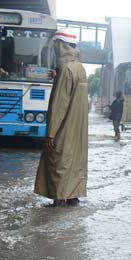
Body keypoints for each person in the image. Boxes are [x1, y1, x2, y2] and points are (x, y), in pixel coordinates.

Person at [34, 31, 88, 207]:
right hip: (78, 130)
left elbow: (59, 105)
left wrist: (50, 133)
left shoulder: (66, 70)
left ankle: (57, 207)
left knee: (58, 164)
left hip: (63, 128)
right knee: (74, 164)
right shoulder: (80, 68)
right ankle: (73, 197)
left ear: (61, 47)